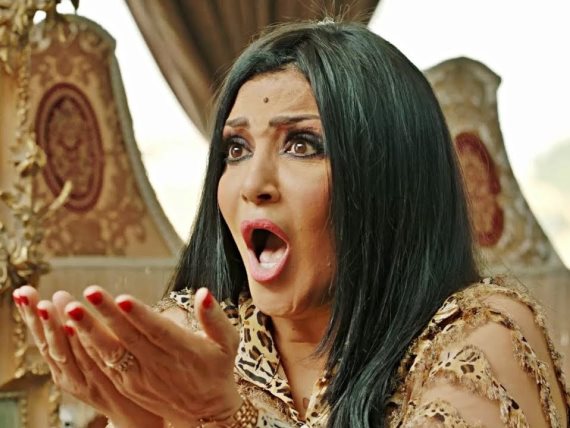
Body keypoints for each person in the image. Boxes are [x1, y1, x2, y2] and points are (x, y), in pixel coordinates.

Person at [12, 20, 569, 427]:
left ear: (387, 178)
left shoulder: (481, 336)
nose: (252, 183)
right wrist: (140, 419)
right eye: (235, 149)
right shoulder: (199, 345)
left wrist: (221, 418)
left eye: (302, 144)